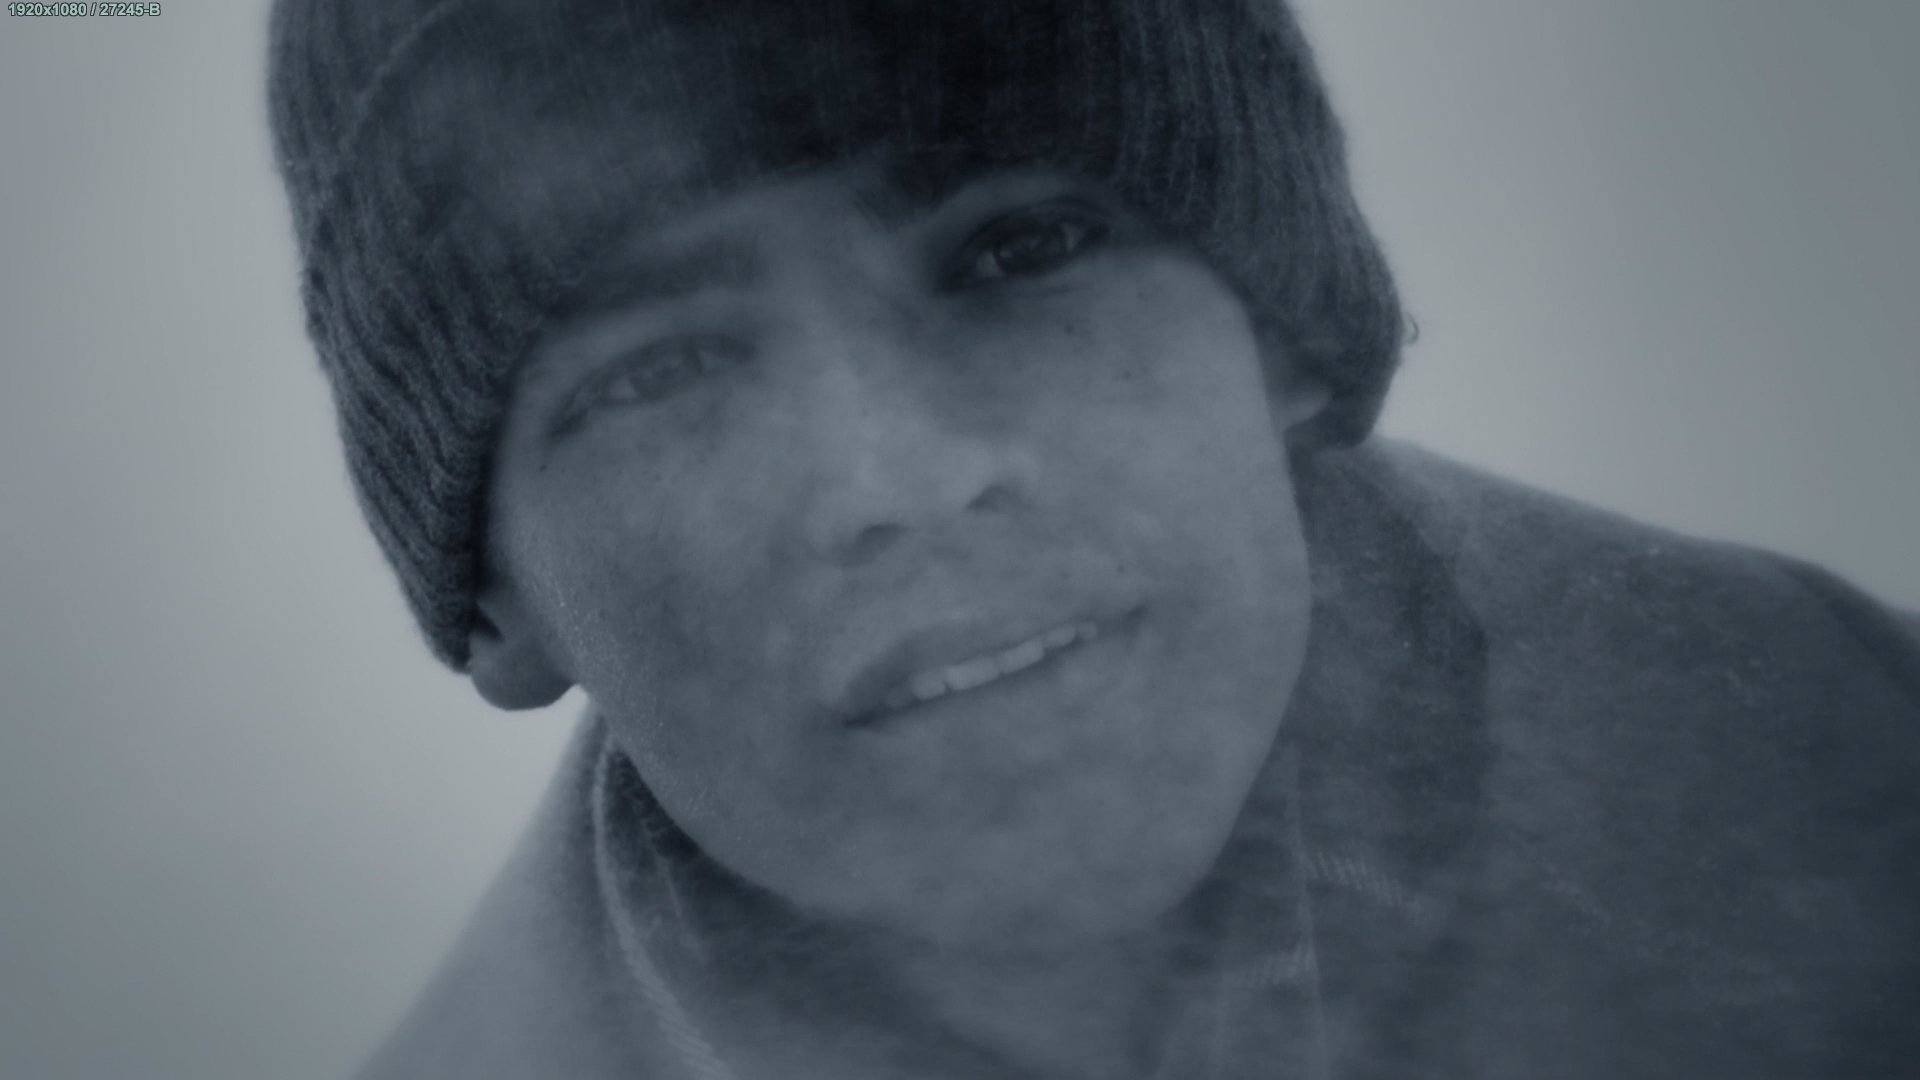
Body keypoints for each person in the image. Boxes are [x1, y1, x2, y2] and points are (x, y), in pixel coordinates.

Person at [266, 1, 1920, 1077]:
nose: (900, 475)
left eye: (1020, 249)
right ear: (496, 595)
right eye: (659, 371)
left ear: (1288, 336)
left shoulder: (1858, 771)